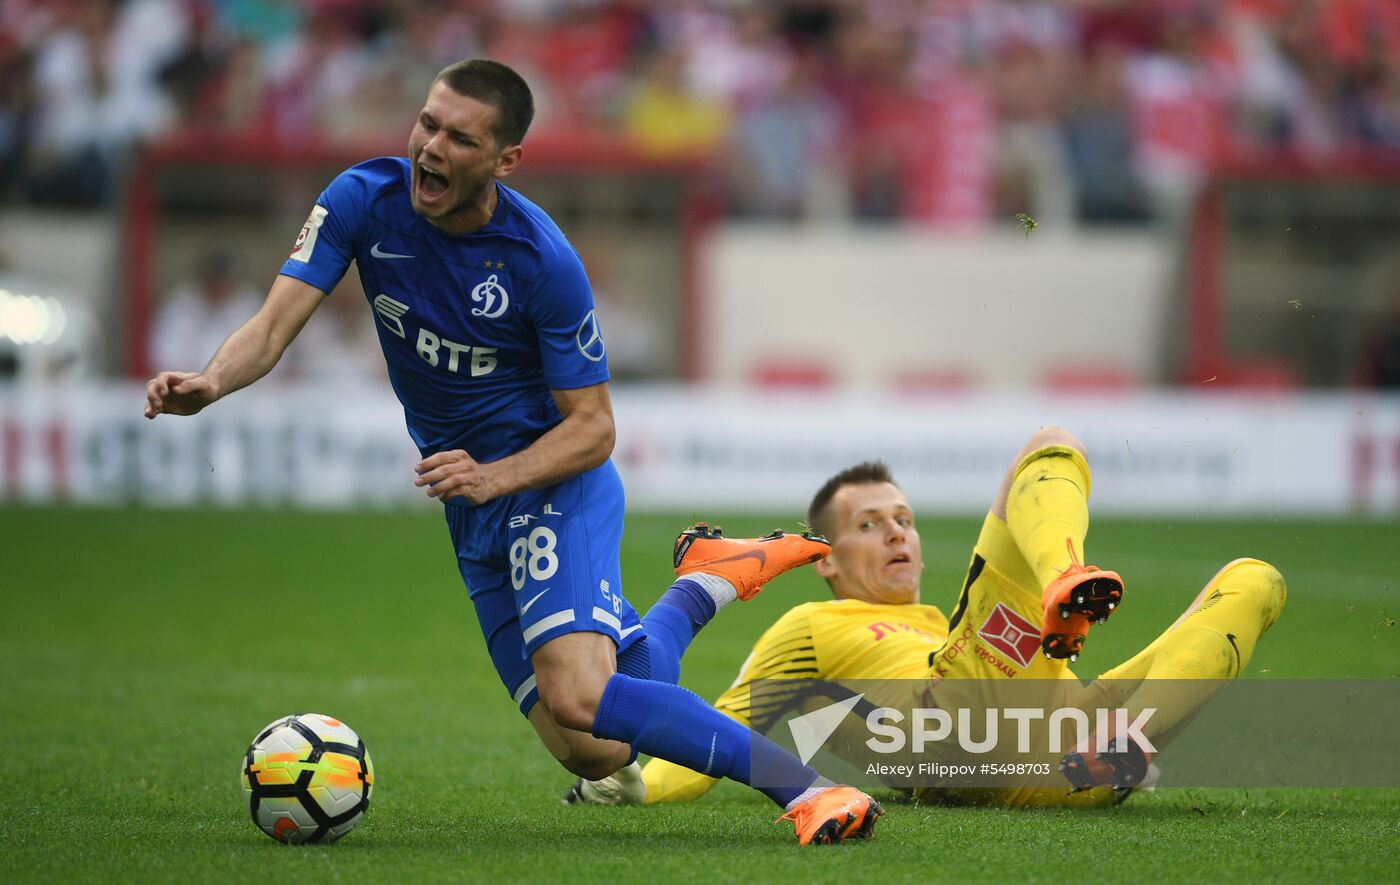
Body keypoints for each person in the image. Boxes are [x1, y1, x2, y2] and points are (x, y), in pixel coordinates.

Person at [143, 59, 882, 846]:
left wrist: (495, 474)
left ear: (504, 160)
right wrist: (212, 380)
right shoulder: (362, 199)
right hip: (473, 506)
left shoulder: (539, 260)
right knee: (595, 749)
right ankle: (702, 585)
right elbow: (271, 323)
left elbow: (595, 427)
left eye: (460, 137)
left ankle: (809, 790)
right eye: (428, 123)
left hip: (549, 481)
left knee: (580, 696)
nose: (430, 147)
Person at [567, 426, 1287, 807]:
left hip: (1062, 763)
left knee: (1256, 581)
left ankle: (1126, 746)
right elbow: (725, 729)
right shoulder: (813, 626)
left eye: (905, 519)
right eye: (870, 523)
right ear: (826, 558)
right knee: (1048, 441)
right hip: (955, 727)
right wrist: (632, 779)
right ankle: (1062, 572)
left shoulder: (944, 621)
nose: (897, 533)